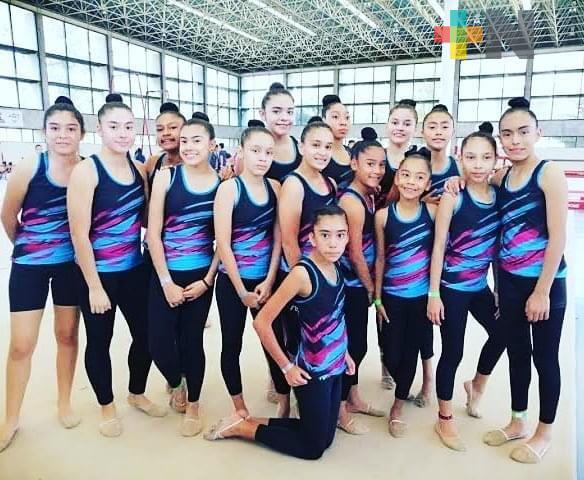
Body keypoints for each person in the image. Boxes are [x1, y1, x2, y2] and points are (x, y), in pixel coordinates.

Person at [204, 206, 355, 461]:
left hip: (335, 365)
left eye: (340, 235)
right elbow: (262, 322)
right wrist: (287, 368)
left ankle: (250, 421)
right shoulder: (302, 274)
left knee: (326, 438)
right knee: (313, 449)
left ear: (347, 237)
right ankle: (242, 428)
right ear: (312, 238)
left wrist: (345, 352)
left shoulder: (336, 266)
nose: (333, 243)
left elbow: (335, 317)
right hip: (311, 371)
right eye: (325, 235)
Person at [67, 93, 165, 438]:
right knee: (100, 341)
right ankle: (106, 406)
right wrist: (94, 286)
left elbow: (145, 220)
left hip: (134, 270)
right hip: (98, 274)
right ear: (100, 128)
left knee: (147, 336)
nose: (122, 133)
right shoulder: (86, 171)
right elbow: (78, 234)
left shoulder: (138, 170)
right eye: (113, 127)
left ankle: (136, 392)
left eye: (128, 127)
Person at [483, 98, 568, 464]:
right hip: (510, 282)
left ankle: (544, 431)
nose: (514, 140)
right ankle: (518, 421)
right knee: (517, 354)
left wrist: (542, 291)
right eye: (507, 134)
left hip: (544, 284)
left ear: (538, 133)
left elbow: (558, 237)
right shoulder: (501, 178)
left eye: (522, 132)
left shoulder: (548, 174)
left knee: (544, 358)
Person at [0, 97, 85, 452]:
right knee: (22, 344)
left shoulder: (86, 170)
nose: (63, 135)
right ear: (44, 132)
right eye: (55, 128)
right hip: (29, 268)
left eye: (71, 128)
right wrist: (28, 247)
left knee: (67, 335)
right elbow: (8, 215)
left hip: (70, 268)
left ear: (81, 134)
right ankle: (10, 418)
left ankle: (64, 402)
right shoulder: (29, 167)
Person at [427, 122, 506, 452]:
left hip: (479, 286)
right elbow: (438, 246)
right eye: (471, 157)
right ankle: (444, 417)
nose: (477, 164)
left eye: (485, 157)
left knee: (503, 333)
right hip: (451, 289)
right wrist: (434, 294)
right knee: (453, 351)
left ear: (495, 160)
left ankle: (476, 385)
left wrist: (498, 290)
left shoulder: (499, 196)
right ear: (460, 158)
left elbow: (498, 250)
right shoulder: (454, 196)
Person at [146, 117, 220, 437]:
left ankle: (193, 404)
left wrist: (207, 281)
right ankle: (177, 381)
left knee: (192, 341)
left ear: (211, 145)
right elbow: (153, 235)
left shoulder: (222, 186)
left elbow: (224, 241)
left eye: (197, 141)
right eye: (185, 140)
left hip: (200, 276)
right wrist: (166, 282)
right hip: (165, 272)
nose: (189, 147)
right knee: (158, 342)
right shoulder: (166, 177)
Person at [213, 126, 283, 419]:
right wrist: (241, 291)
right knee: (232, 344)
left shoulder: (275, 188)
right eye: (255, 151)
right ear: (241, 151)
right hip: (233, 283)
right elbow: (223, 244)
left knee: (274, 342)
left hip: (265, 281)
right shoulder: (229, 189)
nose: (262, 158)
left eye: (268, 153)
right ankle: (239, 407)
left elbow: (278, 238)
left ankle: (284, 402)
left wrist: (269, 279)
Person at [374, 146, 437, 438]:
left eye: (420, 177)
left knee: (411, 351)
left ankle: (398, 406)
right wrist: (377, 298)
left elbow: (439, 252)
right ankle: (403, 384)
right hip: (391, 297)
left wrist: (434, 295)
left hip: (420, 298)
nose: (412, 182)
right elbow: (380, 258)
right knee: (391, 352)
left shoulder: (433, 213)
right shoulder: (383, 216)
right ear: (397, 178)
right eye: (407, 175)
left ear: (427, 183)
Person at [276, 121, 337, 417]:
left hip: (324, 275)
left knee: (317, 338)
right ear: (301, 147)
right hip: (301, 278)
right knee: (295, 340)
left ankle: (313, 396)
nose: (322, 152)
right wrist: (305, 285)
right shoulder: (294, 184)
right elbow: (289, 241)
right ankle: (289, 398)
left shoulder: (330, 183)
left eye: (328, 146)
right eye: (315, 145)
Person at [337, 128, 386, 435]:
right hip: (350, 285)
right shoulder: (352, 202)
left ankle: (353, 398)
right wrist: (371, 289)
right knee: (352, 347)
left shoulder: (369, 194)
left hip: (359, 284)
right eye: (370, 164)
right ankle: (340, 409)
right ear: (354, 163)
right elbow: (354, 253)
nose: (377, 170)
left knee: (359, 345)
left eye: (381, 164)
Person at [377, 98, 418, 390]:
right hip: (376, 237)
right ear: (387, 125)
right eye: (395, 122)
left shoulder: (418, 159)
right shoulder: (377, 157)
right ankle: (385, 363)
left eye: (407, 123)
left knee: (411, 322)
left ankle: (411, 371)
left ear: (415, 128)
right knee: (381, 311)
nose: (400, 128)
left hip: (407, 249)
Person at [260, 83, 301, 183]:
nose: (284, 118)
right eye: (276, 111)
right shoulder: (251, 151)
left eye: (289, 112)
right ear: (263, 114)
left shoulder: (301, 149)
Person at [322, 95, 353, 193]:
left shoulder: (352, 153)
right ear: (324, 119)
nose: (343, 122)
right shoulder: (319, 156)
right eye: (335, 117)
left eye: (347, 117)